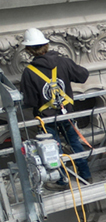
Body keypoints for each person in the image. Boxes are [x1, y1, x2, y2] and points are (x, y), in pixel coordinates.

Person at [19, 28, 92, 185]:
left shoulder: (29, 72)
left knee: (52, 148)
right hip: (66, 113)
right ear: (46, 45)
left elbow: (30, 101)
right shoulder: (63, 62)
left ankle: (62, 179)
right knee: (74, 143)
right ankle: (85, 174)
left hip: (46, 118)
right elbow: (83, 75)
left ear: (28, 49)